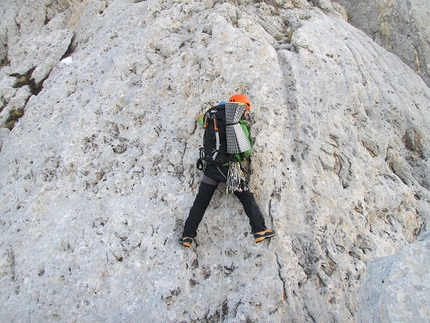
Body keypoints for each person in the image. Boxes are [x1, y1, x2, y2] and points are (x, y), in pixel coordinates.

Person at [180, 94, 275, 247]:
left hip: (211, 167)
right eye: (246, 110)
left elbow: (200, 119)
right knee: (245, 197)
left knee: (201, 202)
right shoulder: (237, 124)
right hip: (230, 169)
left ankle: (187, 236)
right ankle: (259, 230)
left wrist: (199, 116)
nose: (247, 113)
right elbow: (245, 151)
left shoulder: (212, 117)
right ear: (242, 108)